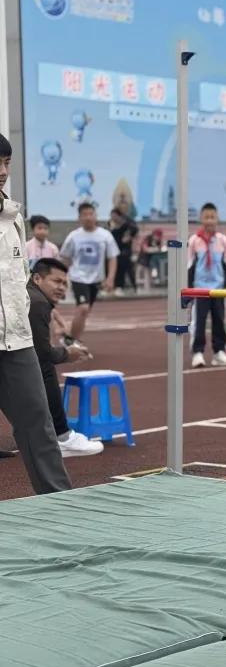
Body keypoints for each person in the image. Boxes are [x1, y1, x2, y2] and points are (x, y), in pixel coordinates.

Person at [0, 133, 71, 493]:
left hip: (15, 339)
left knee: (38, 426)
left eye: (7, 162)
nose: (2, 170)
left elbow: (17, 278)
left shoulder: (13, 217)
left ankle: (61, 507)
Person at [28, 258, 103, 457]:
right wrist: (67, 354)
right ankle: (62, 435)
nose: (62, 288)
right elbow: (40, 352)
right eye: (56, 281)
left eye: (65, 284)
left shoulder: (32, 296)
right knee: (44, 368)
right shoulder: (37, 303)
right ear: (37, 278)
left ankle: (44, 434)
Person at [188, 202, 226, 368]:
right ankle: (198, 352)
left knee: (219, 321)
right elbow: (189, 264)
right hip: (200, 289)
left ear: (217, 219)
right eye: (206, 217)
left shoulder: (223, 241)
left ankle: (219, 351)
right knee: (198, 322)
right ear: (201, 219)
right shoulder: (194, 241)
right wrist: (188, 286)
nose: (209, 220)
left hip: (218, 289)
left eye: (212, 217)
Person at [59, 203, 118, 341]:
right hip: (78, 277)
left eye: (91, 214)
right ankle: (71, 340)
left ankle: (71, 337)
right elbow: (65, 258)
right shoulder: (73, 236)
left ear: (96, 216)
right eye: (84, 215)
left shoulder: (105, 236)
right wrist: (62, 279)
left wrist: (110, 278)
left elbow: (112, 258)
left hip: (96, 279)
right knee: (83, 308)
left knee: (84, 312)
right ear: (79, 218)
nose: (88, 217)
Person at [109, 205, 138, 294]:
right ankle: (118, 286)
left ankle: (134, 287)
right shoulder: (110, 223)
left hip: (125, 249)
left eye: (114, 215)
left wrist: (129, 236)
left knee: (128, 268)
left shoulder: (126, 224)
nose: (113, 217)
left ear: (119, 215)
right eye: (111, 216)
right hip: (115, 249)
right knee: (117, 268)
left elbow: (135, 229)